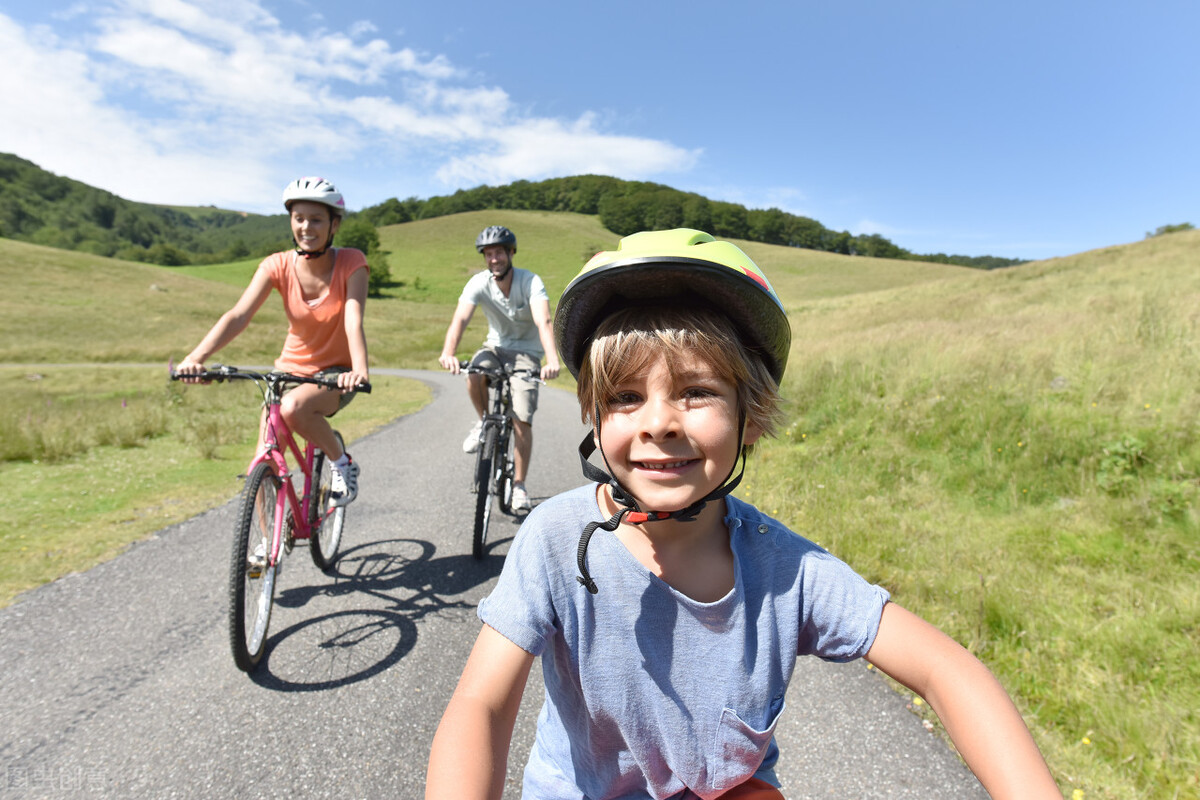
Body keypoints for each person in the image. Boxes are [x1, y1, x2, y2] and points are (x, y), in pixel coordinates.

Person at [425, 229, 1060, 800]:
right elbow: (481, 703)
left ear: (750, 414)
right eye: (623, 398)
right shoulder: (558, 540)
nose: (658, 424)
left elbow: (947, 668)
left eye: (696, 392)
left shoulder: (787, 570)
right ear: (594, 417)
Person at [176, 177, 369, 507]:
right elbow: (239, 315)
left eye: (317, 219)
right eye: (299, 218)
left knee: (296, 408)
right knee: (264, 463)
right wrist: (196, 357)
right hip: (288, 371)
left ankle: (342, 462)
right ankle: (265, 551)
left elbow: (353, 317)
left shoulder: (352, 262)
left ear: (334, 224)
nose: (307, 227)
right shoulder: (276, 265)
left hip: (336, 373)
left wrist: (360, 370)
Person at [438, 225, 561, 513]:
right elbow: (460, 320)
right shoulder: (479, 283)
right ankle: (484, 422)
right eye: (489, 254)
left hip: (527, 354)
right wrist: (448, 352)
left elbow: (543, 321)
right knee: (475, 372)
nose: (494, 259)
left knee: (521, 418)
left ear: (510, 253)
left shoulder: (530, 281)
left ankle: (518, 485)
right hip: (495, 347)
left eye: (499, 253)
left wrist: (551, 360)